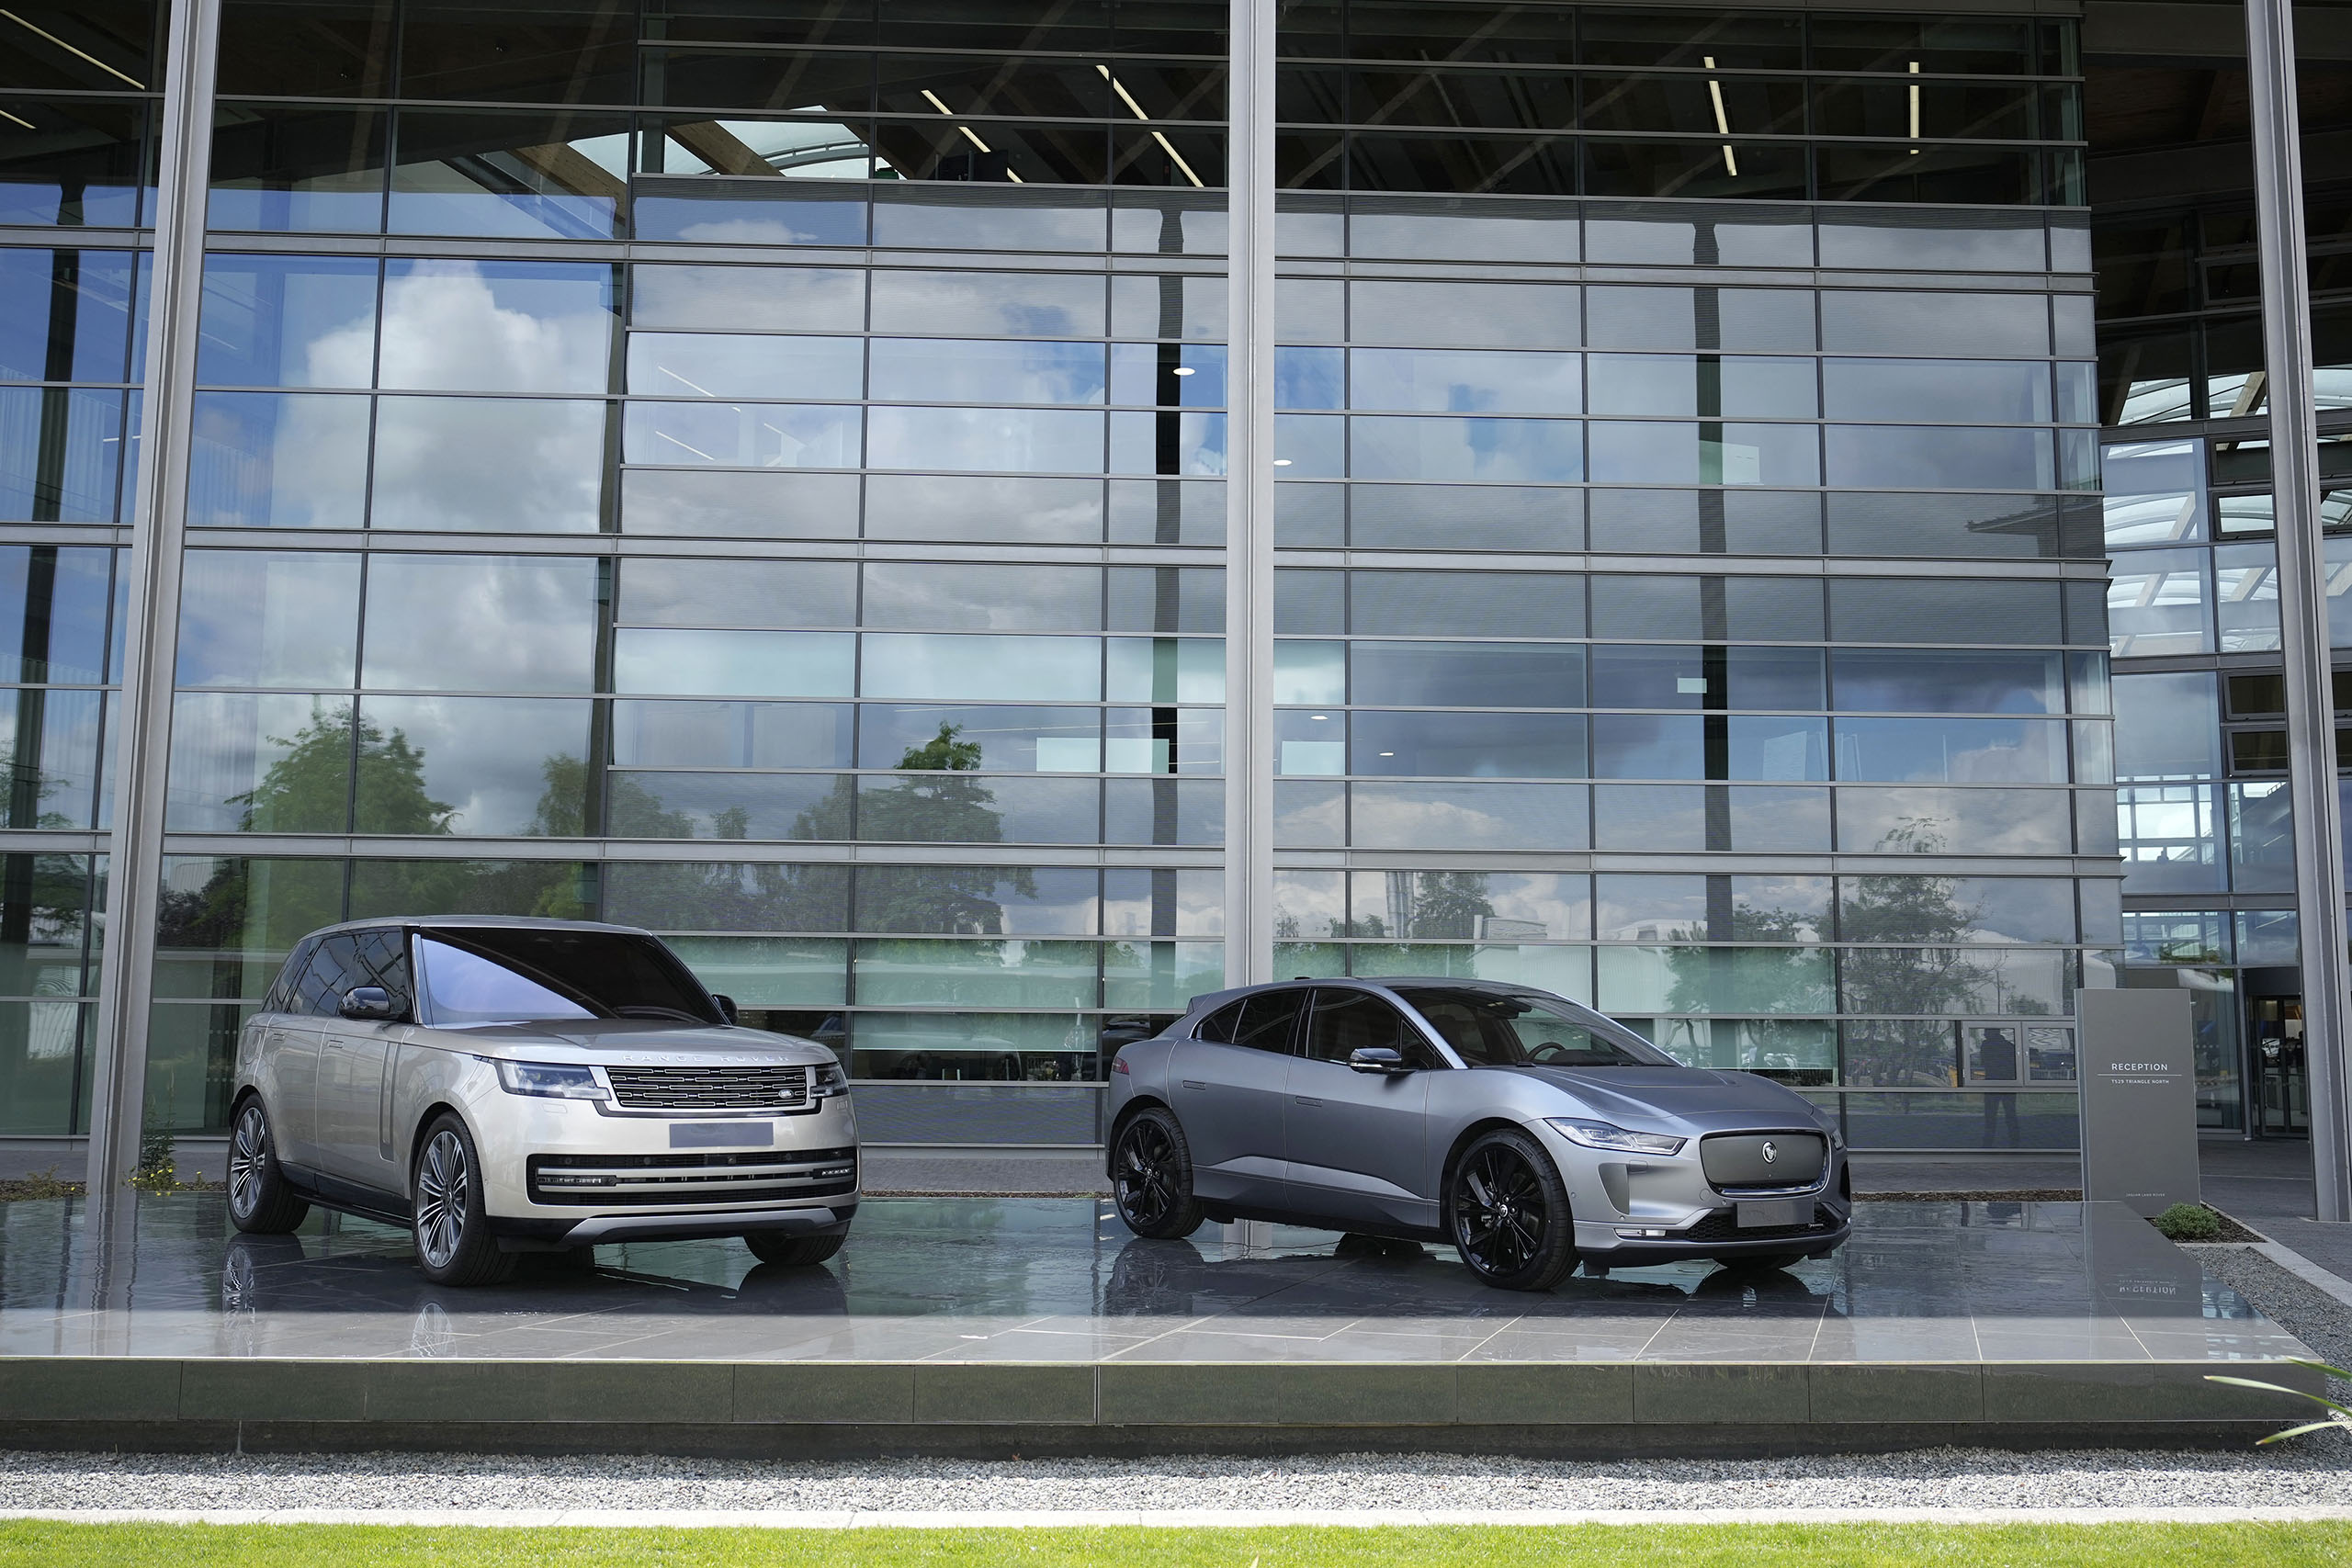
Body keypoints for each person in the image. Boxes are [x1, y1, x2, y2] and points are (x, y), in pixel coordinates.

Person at [1978, 1027, 2020, 1145]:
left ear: (1992, 1033)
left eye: (1986, 1032)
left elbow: (1984, 1062)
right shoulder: (2009, 1046)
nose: (1984, 1035)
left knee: (1990, 1114)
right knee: (2010, 1112)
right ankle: (2014, 1138)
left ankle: (1988, 1140)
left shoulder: (1987, 1046)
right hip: (2008, 1082)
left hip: (1992, 1082)